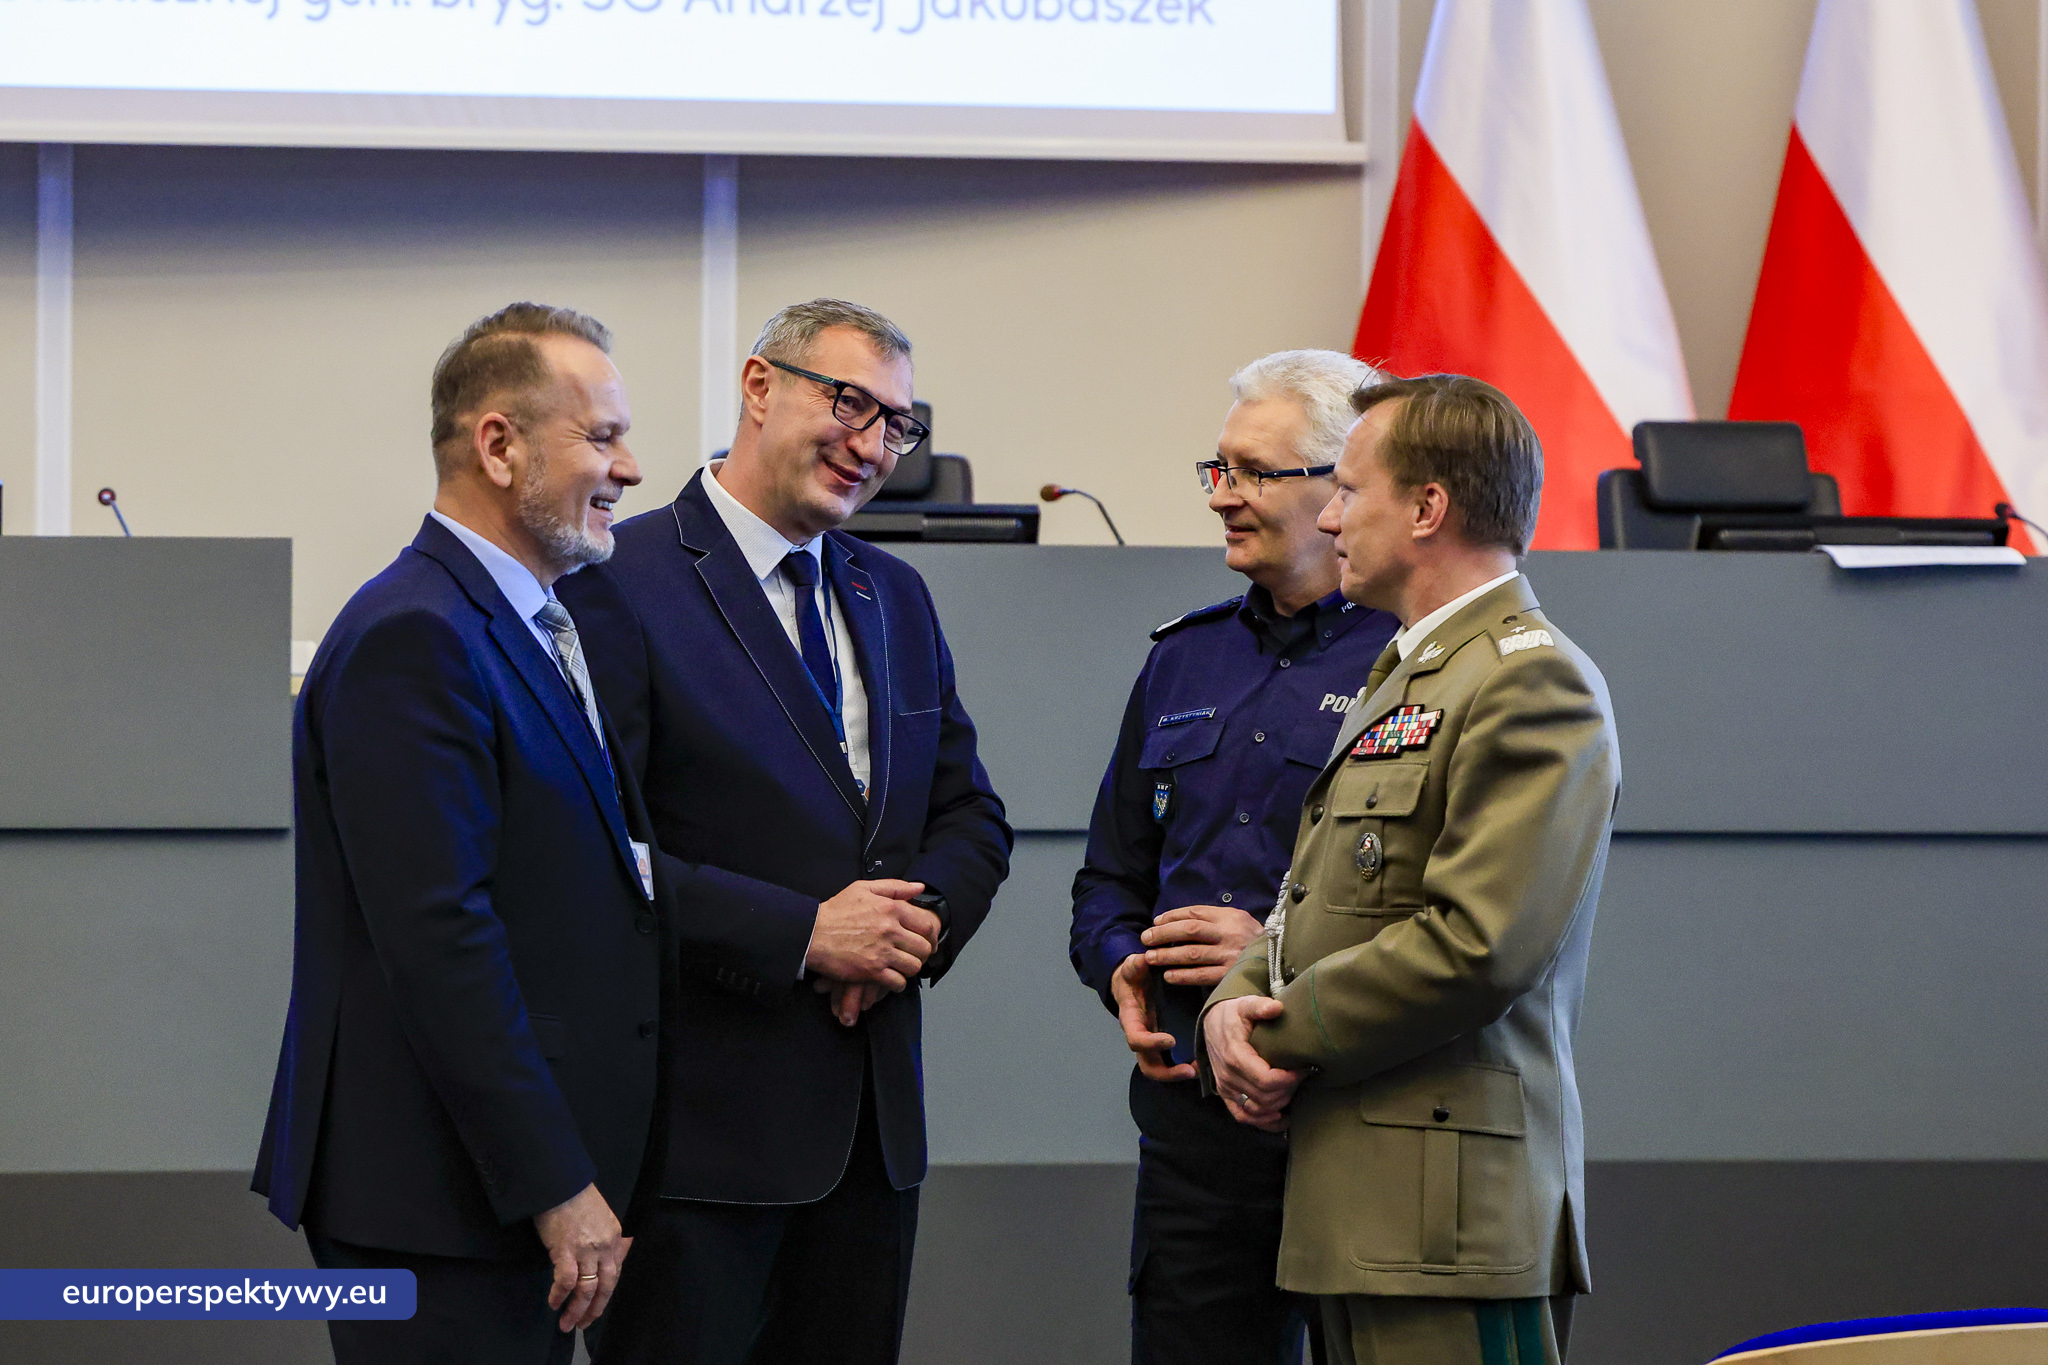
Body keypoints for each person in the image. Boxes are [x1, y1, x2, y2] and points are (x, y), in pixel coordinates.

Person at [556, 298, 1013, 1364]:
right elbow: (584, 854)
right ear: (759, 387)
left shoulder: (894, 594)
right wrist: (804, 935)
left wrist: (910, 930)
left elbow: (969, 815)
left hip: (870, 1143)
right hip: (695, 1149)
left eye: (896, 424)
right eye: (847, 402)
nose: (870, 444)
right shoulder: (615, 580)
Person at [252, 303, 668, 1364]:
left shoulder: (519, 623)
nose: (629, 466)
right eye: (602, 435)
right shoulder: (416, 636)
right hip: (437, 1201)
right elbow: (442, 946)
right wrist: (555, 1186)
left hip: (482, 1192)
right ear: (498, 444)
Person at [1199, 374, 1620, 1365]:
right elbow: (1315, 899)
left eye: (1349, 490)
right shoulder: (1407, 672)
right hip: (1363, 1208)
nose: (1330, 516)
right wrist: (1231, 997)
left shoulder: (1528, 676)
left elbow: (1478, 945)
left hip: (1448, 1223)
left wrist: (1278, 1028)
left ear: (1427, 508)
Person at [1068, 350, 1399, 1365]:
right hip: (1194, 1123)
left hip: (1352, 1107)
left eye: (1251, 473)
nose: (1223, 498)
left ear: (1339, 488)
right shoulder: (1182, 655)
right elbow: (1108, 878)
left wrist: (1267, 948)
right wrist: (1118, 960)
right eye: (1216, 470)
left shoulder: (1415, 655)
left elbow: (1457, 913)